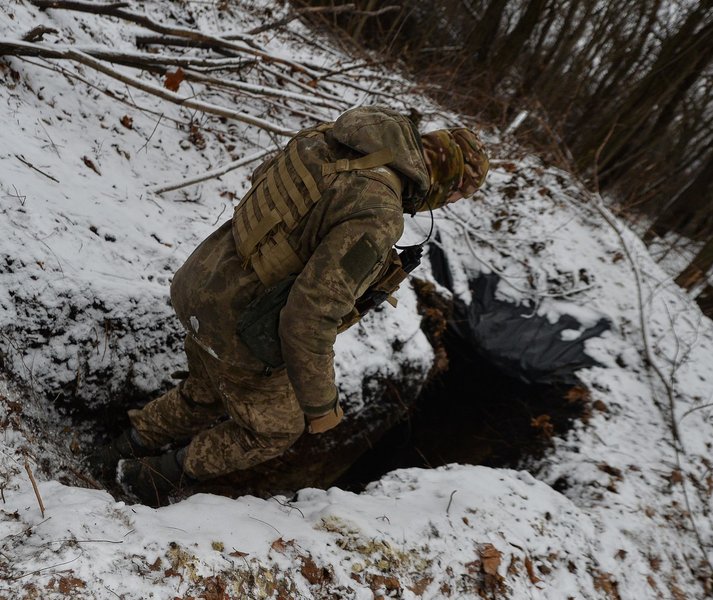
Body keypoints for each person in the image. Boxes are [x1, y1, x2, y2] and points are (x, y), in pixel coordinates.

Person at [86, 106, 489, 504]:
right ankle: (146, 479)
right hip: (239, 325)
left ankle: (113, 452)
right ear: (449, 187)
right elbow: (310, 316)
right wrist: (321, 405)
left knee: (204, 392)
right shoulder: (378, 212)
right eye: (454, 196)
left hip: (204, 279)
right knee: (274, 430)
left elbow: (268, 190)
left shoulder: (337, 138)